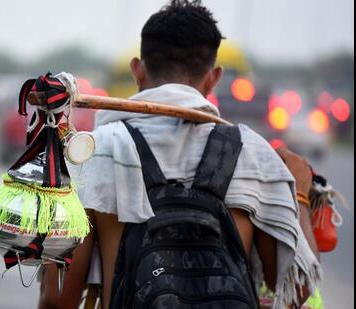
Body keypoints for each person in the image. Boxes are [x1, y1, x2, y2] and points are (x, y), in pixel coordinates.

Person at [38, 1, 321, 308]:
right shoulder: (253, 155)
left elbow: (57, 299)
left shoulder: (93, 153)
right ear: (213, 77)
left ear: (137, 70)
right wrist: (301, 195)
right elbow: (298, 289)